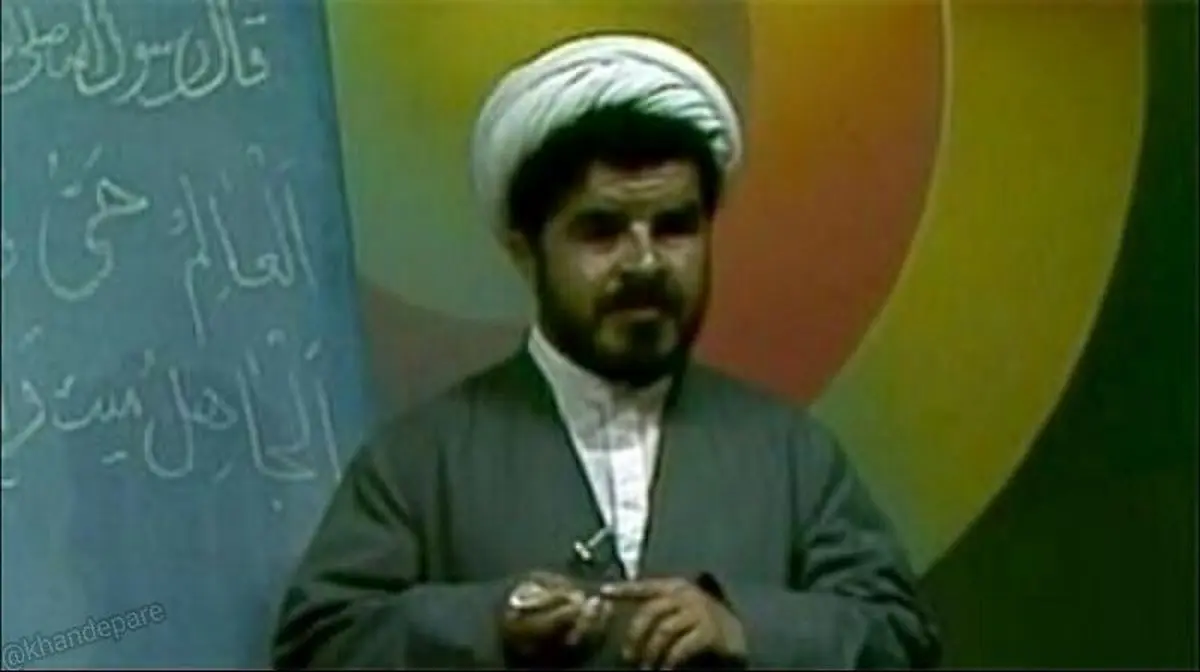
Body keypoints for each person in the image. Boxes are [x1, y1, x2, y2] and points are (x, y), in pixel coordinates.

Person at [271, 32, 941, 670]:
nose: (644, 263)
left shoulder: (793, 457)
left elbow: (899, 636)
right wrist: (489, 622)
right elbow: (320, 643)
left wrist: (743, 628)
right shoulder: (419, 460)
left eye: (674, 228)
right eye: (601, 232)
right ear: (526, 252)